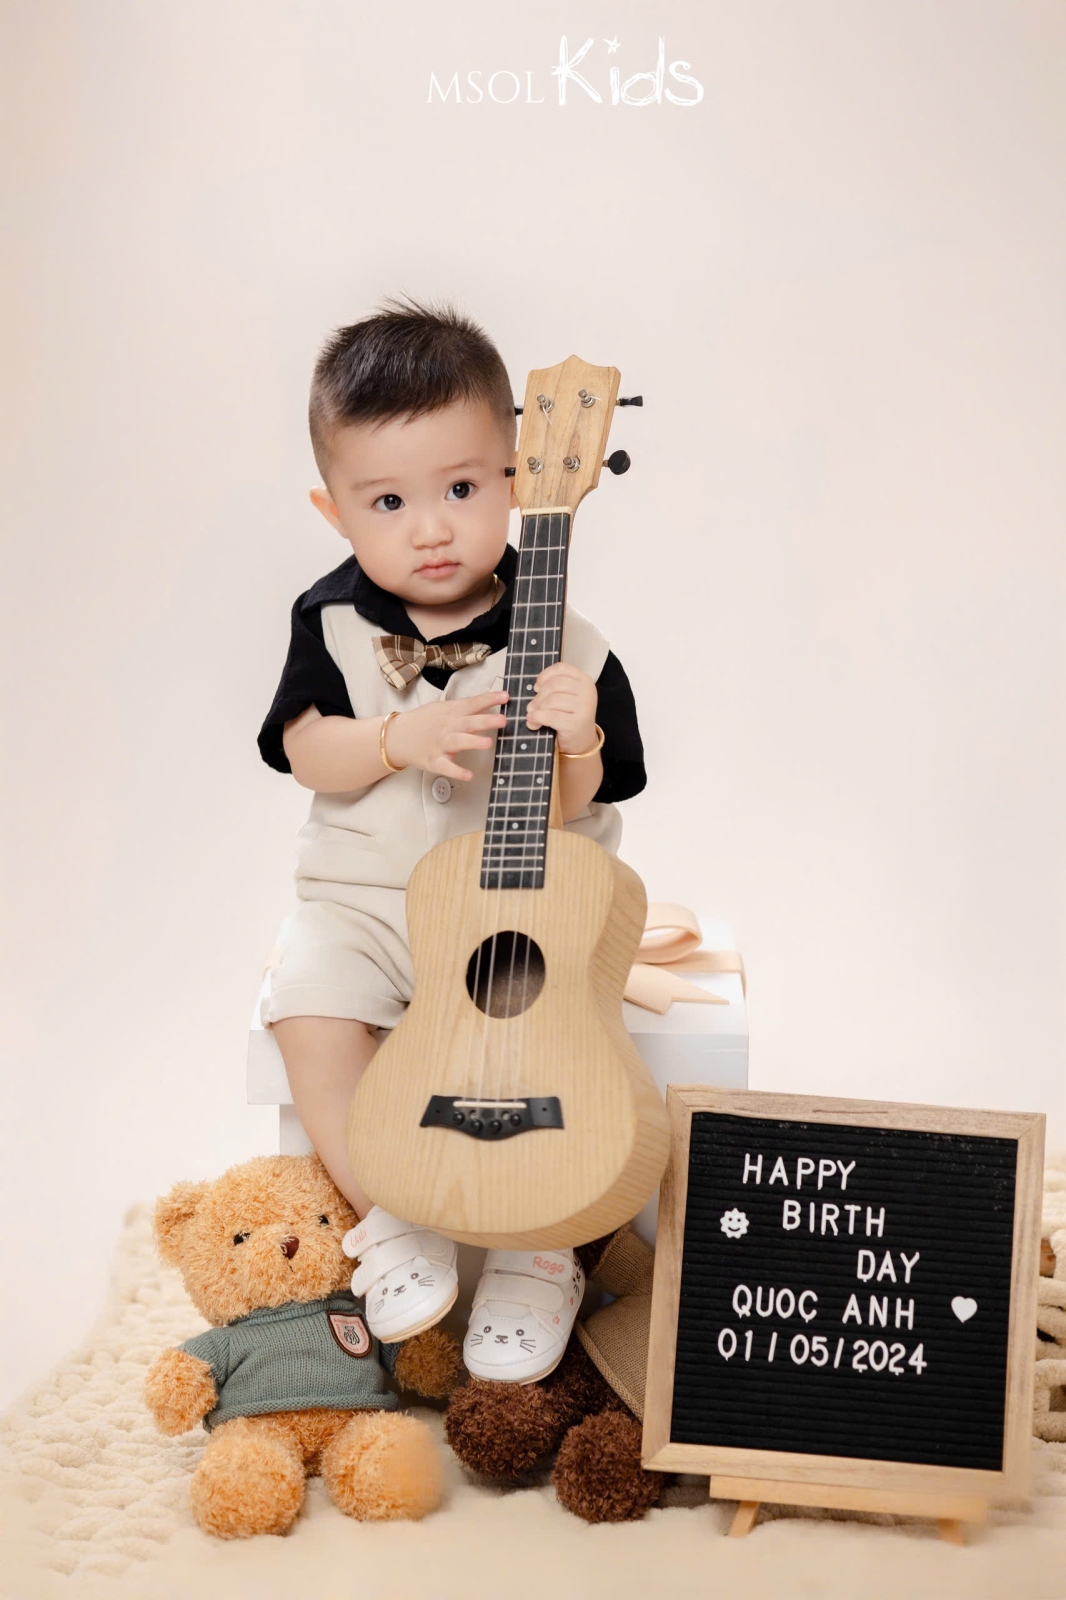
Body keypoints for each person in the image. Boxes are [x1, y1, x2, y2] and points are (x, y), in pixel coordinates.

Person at [257, 293, 647, 1382]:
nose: (430, 528)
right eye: (388, 500)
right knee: (307, 1006)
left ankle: (538, 1248)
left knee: (553, 1044)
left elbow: (585, 804)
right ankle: (391, 1220)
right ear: (333, 510)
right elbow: (305, 749)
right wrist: (397, 735)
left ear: (520, 479)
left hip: (515, 921)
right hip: (367, 907)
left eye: (462, 489)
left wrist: (577, 739)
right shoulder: (329, 622)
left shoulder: (570, 639)